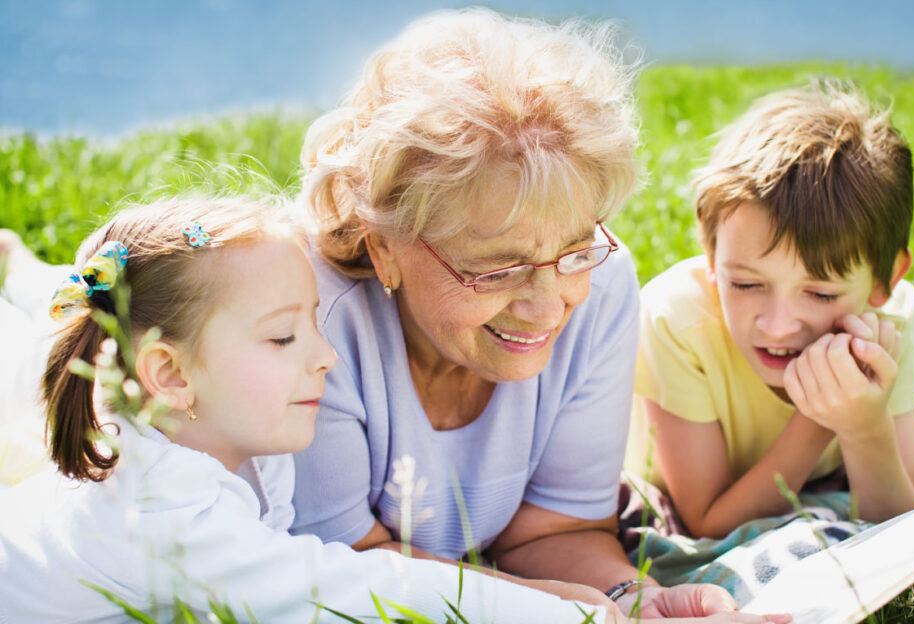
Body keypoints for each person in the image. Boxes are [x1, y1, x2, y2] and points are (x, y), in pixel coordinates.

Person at [289, 8, 783, 620]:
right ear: (383, 244)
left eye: (574, 249)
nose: (550, 308)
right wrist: (560, 609)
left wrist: (636, 600)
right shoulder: (305, 324)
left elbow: (555, 532)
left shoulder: (601, 286)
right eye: (498, 268)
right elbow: (339, 571)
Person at [0, 197, 645, 623]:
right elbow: (336, 591)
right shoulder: (162, 510)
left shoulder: (242, 441)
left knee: (54, 343)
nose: (326, 357)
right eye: (283, 337)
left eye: (315, 324)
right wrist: (550, 612)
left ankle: (25, 280)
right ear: (170, 375)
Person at [625, 82, 914, 539]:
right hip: (689, 499)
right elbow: (707, 524)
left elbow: (902, 531)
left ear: (884, 280)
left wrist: (866, 429)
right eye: (747, 283)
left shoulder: (896, 322)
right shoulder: (676, 321)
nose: (776, 325)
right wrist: (820, 417)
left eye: (821, 294)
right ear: (712, 259)